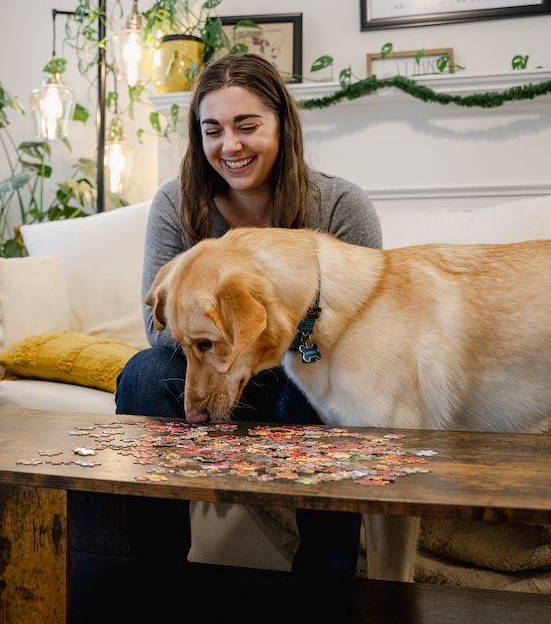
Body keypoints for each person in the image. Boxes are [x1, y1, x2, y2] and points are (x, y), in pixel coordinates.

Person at [115, 52, 381, 575]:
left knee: (319, 395)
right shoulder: (176, 203)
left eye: (247, 126)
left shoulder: (340, 206)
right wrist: (223, 349)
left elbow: (365, 330)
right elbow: (157, 329)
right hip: (216, 364)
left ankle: (326, 593)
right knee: (145, 376)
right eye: (212, 130)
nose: (229, 146)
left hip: (306, 371)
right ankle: (149, 580)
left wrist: (262, 341)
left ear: (282, 124)